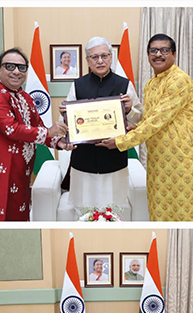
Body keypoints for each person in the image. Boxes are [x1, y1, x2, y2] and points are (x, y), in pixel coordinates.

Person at [97, 34, 193, 221]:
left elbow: (157, 119)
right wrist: (134, 127)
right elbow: (151, 119)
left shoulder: (179, 80)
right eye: (153, 51)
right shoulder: (150, 84)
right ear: (148, 55)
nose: (158, 54)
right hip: (158, 160)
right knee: (159, 212)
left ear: (174, 54)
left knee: (185, 214)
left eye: (164, 50)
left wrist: (121, 141)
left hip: (183, 159)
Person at [0, 48, 69, 221]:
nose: (16, 71)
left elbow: (38, 126)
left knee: (19, 212)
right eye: (10, 66)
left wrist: (59, 142)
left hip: (21, 169)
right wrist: (49, 132)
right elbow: (12, 129)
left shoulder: (25, 97)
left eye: (21, 67)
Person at [59, 36, 143, 213]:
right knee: (84, 212)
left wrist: (129, 110)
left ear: (111, 57)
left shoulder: (124, 84)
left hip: (114, 161)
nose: (100, 61)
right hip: (84, 162)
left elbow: (139, 120)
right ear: (87, 60)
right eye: (94, 57)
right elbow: (66, 125)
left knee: (112, 212)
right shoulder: (77, 85)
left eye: (104, 56)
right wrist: (65, 116)